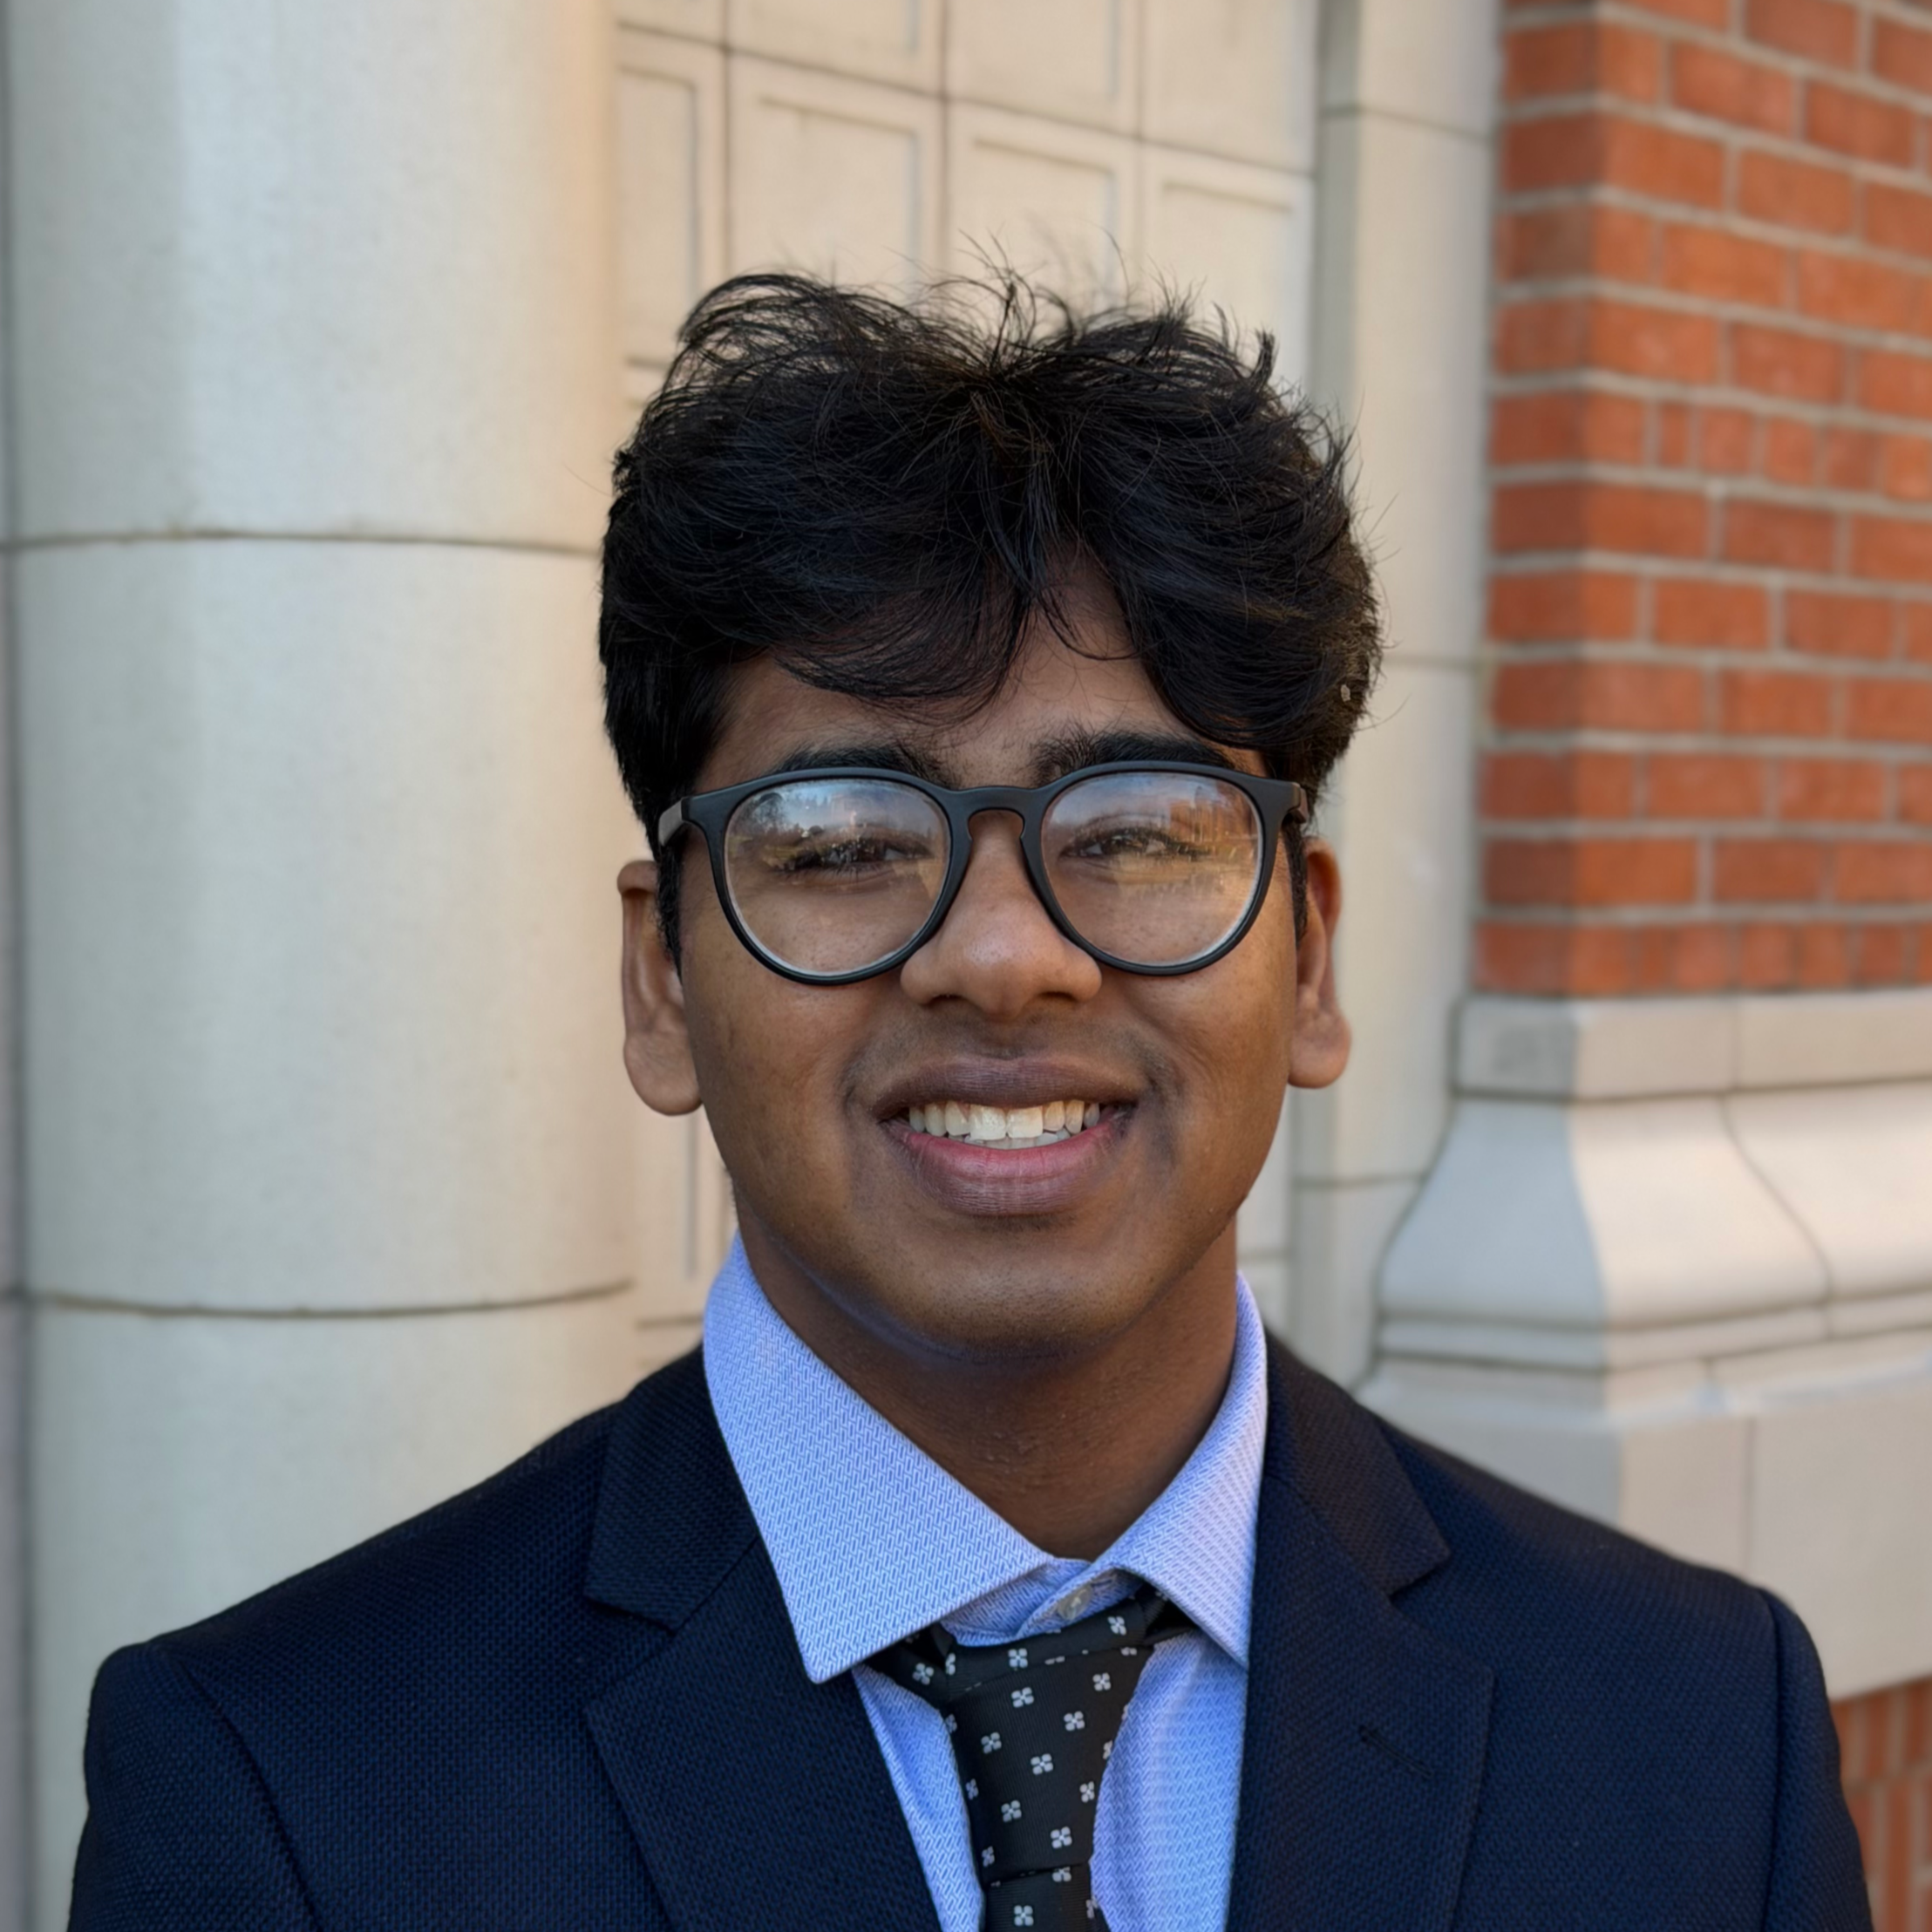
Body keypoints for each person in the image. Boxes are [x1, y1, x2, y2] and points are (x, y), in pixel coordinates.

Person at [69, 275, 1871, 1931]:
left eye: (1141, 828)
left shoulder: (1703, 1734)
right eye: (844, 837)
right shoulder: (280, 1794)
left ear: (1308, 962)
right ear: (660, 983)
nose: (1004, 958)